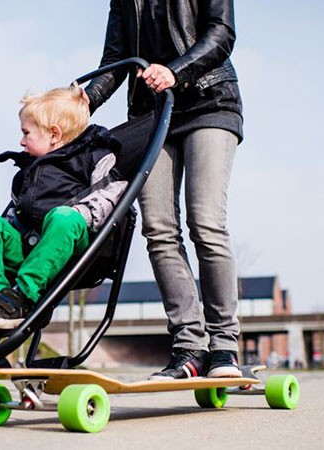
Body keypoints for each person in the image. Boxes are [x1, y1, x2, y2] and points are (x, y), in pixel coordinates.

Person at [85, 0, 243, 379]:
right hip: (152, 114)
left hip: (209, 100)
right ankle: (189, 346)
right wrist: (81, 101)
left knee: (205, 223)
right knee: (158, 229)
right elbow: (117, 58)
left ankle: (224, 347)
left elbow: (221, 34)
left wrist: (176, 72)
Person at [0, 84, 127, 333]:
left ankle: (23, 296)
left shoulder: (95, 157)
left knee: (64, 218)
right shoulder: (29, 169)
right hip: (26, 244)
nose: (21, 141)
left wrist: (80, 214)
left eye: (26, 133)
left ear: (54, 134)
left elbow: (110, 196)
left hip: (68, 246)